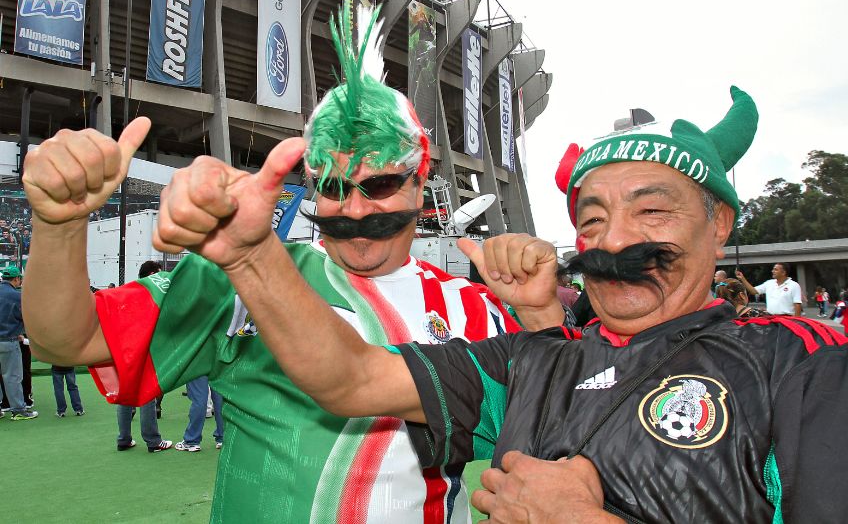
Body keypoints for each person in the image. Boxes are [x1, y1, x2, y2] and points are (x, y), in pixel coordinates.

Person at [162, 85, 848, 522]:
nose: (617, 240)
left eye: (652, 210)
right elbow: (350, 377)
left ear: (720, 222)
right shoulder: (530, 359)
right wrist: (252, 256)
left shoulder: (802, 366)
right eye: (593, 216)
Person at [21, 4, 560, 523]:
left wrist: (540, 316)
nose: (353, 208)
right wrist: (60, 224)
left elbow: (559, 423)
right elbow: (65, 341)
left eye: (381, 184)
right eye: (330, 185)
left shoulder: (478, 309)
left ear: (422, 183)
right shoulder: (240, 278)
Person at [114, 261, 172, 453]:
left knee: (126, 394)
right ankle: (153, 441)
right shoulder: (151, 294)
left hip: (125, 350)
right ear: (152, 274)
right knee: (147, 393)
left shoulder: (129, 291)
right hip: (144, 349)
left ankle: (124, 438)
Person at [0, 265, 37, 420]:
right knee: (12, 377)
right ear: (16, 279)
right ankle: (18, 410)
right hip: (9, 340)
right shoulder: (17, 296)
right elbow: (27, 318)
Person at [174, 376, 224, 452]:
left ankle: (192, 440)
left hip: (198, 365)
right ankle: (223, 437)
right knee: (220, 398)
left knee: (199, 398)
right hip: (219, 365)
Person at [736, 263, 803, 315]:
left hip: (787, 320)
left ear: (783, 272)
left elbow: (797, 304)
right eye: (773, 269)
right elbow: (753, 291)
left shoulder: (794, 285)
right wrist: (742, 278)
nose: (772, 271)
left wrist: (796, 321)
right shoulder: (769, 283)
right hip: (771, 319)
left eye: (776, 269)